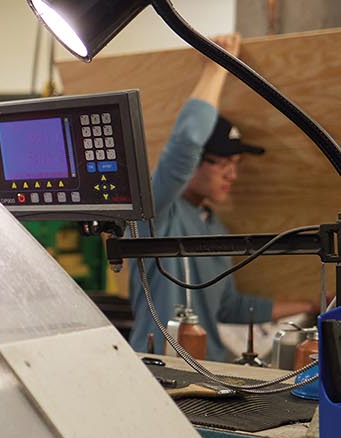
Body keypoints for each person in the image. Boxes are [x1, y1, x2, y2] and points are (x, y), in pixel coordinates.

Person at [128, 33, 315, 360]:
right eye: (222, 163)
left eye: (236, 164)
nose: (233, 174)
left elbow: (229, 306)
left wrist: (309, 305)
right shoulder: (158, 210)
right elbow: (184, 144)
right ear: (195, 164)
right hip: (155, 368)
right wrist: (215, 70)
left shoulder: (214, 227)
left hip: (208, 372)